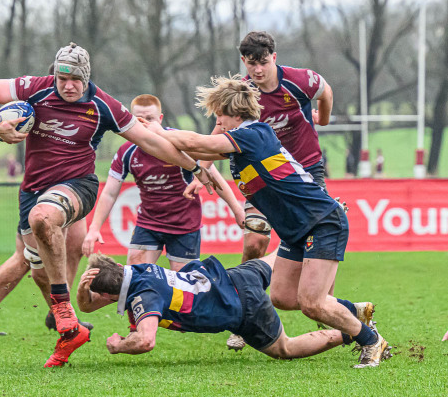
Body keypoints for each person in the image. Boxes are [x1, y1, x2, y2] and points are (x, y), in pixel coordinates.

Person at [0, 42, 218, 368]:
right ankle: (60, 326)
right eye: (62, 78)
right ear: (53, 74)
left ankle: (59, 308)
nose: (68, 85)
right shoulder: (36, 89)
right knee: (35, 262)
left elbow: (153, 142)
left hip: (78, 186)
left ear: (87, 78)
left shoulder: (104, 105)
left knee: (44, 219)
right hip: (31, 190)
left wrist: (194, 166)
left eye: (76, 80)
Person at [146, 74, 391, 368]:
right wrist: (150, 137)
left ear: (235, 114)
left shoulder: (254, 135)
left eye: (220, 115)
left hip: (321, 222)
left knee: (314, 303)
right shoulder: (240, 144)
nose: (218, 121)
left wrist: (158, 128)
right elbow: (196, 150)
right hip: (296, 231)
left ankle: (371, 340)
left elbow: (194, 141)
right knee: (283, 297)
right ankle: (356, 311)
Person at [198, 31, 336, 350]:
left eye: (262, 62)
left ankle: (329, 309)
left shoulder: (300, 81)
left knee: (320, 247)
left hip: (305, 174)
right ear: (243, 62)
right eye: (250, 63)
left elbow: (326, 91)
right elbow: (222, 126)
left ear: (274, 56)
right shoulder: (244, 92)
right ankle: (247, 316)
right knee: (255, 241)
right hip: (262, 177)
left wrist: (323, 120)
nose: (257, 70)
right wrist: (202, 170)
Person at [76, 252, 385, 367]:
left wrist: (117, 347)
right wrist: (83, 289)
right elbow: (90, 305)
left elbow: (145, 340)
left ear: (107, 292)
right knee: (287, 252)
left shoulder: (143, 296)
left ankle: (354, 333)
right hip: (236, 275)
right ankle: (348, 303)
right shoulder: (139, 270)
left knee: (285, 349)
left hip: (241, 306)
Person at [82, 94, 245, 272]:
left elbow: (213, 176)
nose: (145, 123)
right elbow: (109, 193)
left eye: (150, 118)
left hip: (185, 225)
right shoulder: (127, 151)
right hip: (148, 223)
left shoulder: (179, 141)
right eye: (138, 119)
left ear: (160, 118)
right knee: (136, 278)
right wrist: (94, 228)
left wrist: (237, 209)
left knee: (184, 286)